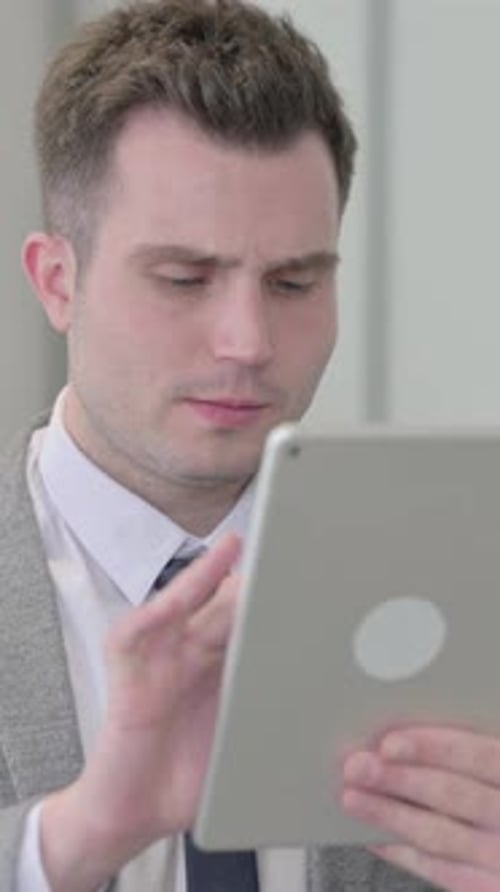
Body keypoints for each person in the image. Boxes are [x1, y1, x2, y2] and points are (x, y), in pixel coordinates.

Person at [1, 0, 499, 889]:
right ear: (56, 281)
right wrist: (70, 842)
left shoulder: (464, 591)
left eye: (293, 281)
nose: (248, 342)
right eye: (185, 278)